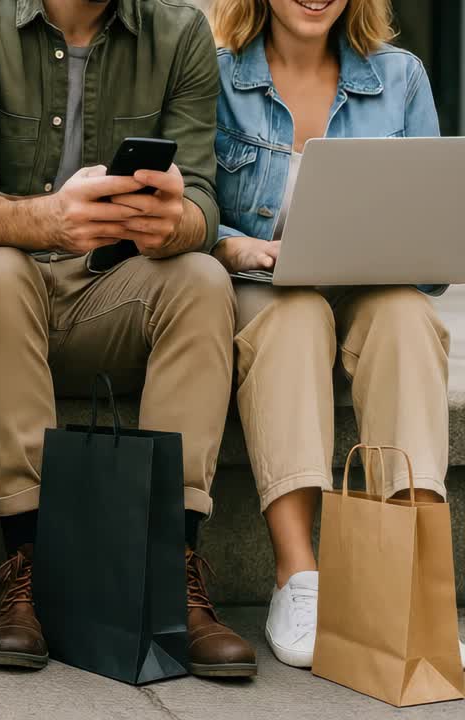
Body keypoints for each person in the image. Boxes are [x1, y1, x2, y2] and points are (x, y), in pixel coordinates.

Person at [0, 0, 258, 676]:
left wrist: (178, 222)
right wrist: (49, 221)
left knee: (200, 277)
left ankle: (170, 570)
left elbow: (203, 196)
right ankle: (30, 566)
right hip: (12, 295)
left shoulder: (181, 30)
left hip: (120, 293)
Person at [209, 0, 465, 670]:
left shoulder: (401, 77)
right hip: (267, 287)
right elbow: (189, 208)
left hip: (367, 287)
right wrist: (235, 248)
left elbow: (433, 256)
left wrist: (408, 247)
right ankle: (298, 579)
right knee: (293, 318)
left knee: (409, 318)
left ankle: (409, 587)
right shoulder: (216, 76)